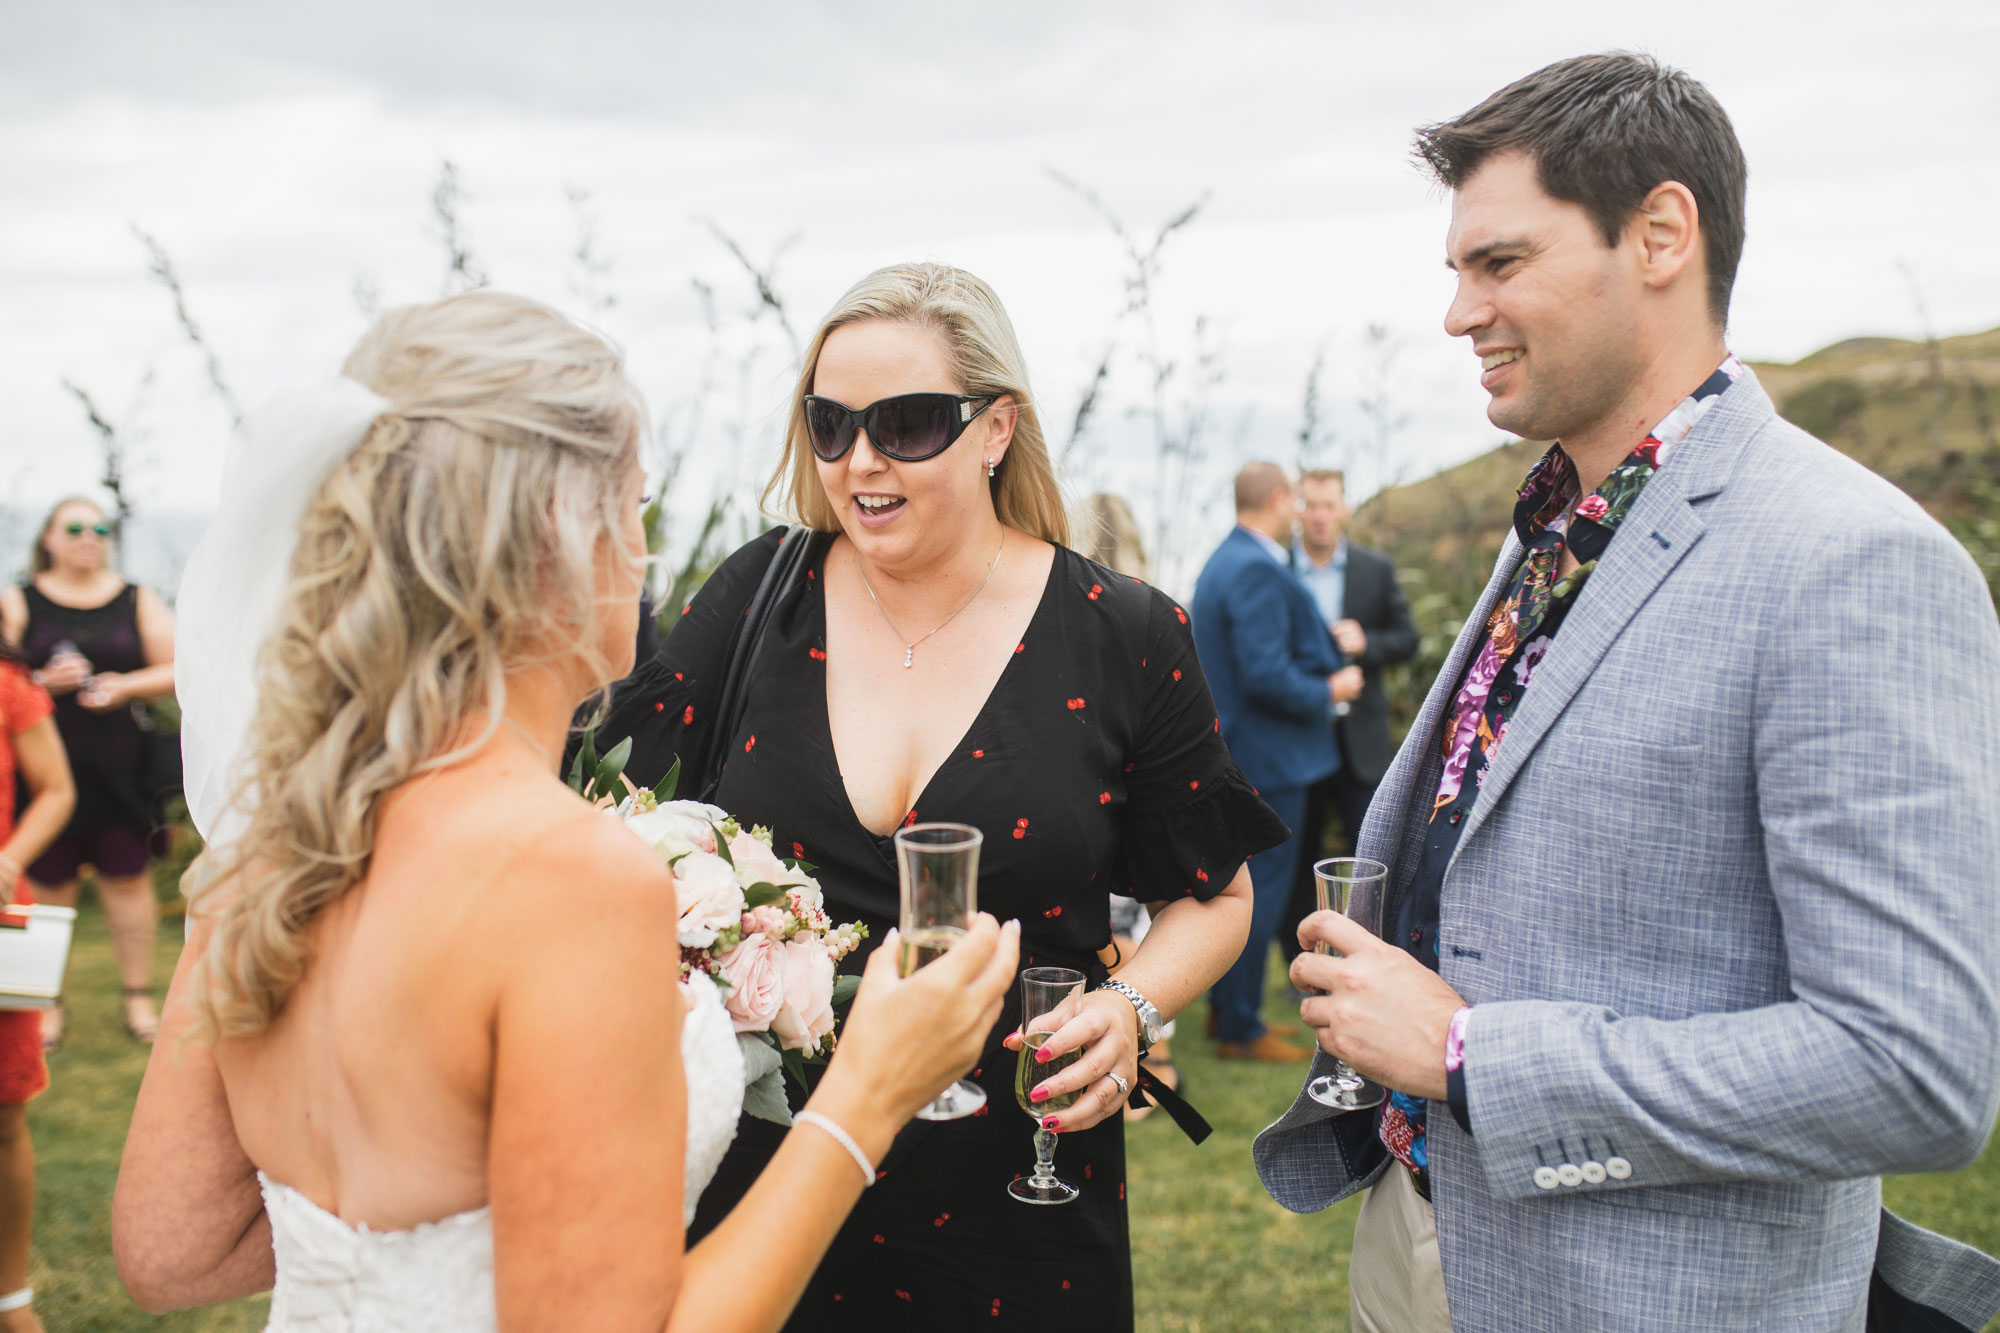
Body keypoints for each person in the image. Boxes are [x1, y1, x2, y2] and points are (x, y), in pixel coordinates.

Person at [1255, 52, 2000, 1333]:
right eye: (1454, 272)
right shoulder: (1544, 528)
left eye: (1497, 263)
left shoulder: (1853, 562)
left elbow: (1911, 1069)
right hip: (1423, 1236)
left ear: (1659, 233)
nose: (1455, 312)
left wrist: (1470, 1052)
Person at [111, 290, 1020, 1331]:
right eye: (634, 510)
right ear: (561, 530)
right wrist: (868, 1091)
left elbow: (170, 1247)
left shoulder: (269, 850)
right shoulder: (569, 883)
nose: (642, 558)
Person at [588, 262, 1269, 1330]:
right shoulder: (759, 592)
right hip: (765, 1179)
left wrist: (1131, 1008)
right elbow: (598, 817)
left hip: (1016, 1183)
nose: (859, 461)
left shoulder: (1125, 632)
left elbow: (1215, 896)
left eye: (905, 424)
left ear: (997, 428)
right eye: (829, 423)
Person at [1190, 464, 1360, 1061]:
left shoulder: (1226, 560)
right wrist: (1331, 690)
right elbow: (1264, 673)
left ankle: (1229, 1016)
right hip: (1268, 759)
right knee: (1256, 895)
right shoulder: (1256, 567)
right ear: (1282, 500)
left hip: (1244, 754)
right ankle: (1240, 1027)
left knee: (1241, 889)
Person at [0, 499, 177, 1046]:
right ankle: (46, 1007)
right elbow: (7, 670)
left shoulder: (135, 596)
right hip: (45, 760)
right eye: (74, 527)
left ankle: (138, 1000)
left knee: (128, 882)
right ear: (49, 539)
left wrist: (124, 686)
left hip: (120, 765)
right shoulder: (20, 597)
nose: (88, 537)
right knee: (48, 884)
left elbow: (178, 668)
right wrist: (42, 685)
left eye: (99, 528)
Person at [1279, 469, 1417, 967]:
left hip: (1360, 739)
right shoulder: (1279, 569)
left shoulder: (1373, 569)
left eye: (1329, 505)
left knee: (1370, 852)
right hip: (1297, 738)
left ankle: (1368, 959)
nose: (1319, 515)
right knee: (1297, 855)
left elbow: (1408, 639)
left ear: (1344, 510)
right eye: (1310, 505)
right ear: (1299, 510)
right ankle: (1300, 959)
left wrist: (1367, 643)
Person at [1078, 493, 1180, 1121]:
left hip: (1122, 792)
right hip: (1121, 800)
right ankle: (1143, 1053)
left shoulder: (1145, 622)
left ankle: (1139, 1049)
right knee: (1134, 924)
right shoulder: (1147, 612)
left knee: (1136, 927)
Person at [0, 643, 77, 1333]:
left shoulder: (9, 686)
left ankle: (9, 1296)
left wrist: (9, 857)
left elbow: (56, 788)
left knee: (2, 1116)